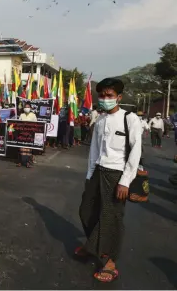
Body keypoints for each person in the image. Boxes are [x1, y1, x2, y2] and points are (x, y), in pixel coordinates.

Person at [77, 78, 141, 283]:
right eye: (102, 95)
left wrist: (125, 181)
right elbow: (94, 151)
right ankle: (94, 246)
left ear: (119, 97)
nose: (105, 99)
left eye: (110, 96)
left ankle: (110, 261)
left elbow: (135, 152)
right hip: (98, 171)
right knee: (86, 210)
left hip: (117, 174)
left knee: (111, 217)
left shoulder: (129, 119)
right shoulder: (100, 120)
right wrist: (89, 175)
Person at [18, 102, 37, 167]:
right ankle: (20, 162)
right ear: (23, 108)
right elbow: (18, 124)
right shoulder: (21, 115)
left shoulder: (33, 115)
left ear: (30, 108)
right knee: (21, 148)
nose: (27, 108)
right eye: (25, 107)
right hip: (22, 134)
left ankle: (28, 162)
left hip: (29, 134)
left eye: (28, 107)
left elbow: (36, 125)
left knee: (28, 149)